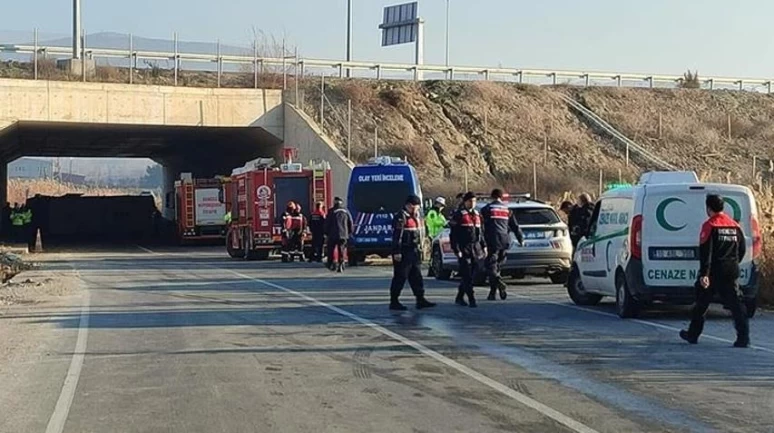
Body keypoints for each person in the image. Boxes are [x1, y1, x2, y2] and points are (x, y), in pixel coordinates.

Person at [680, 194, 750, 348]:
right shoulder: (734, 226)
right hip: (731, 270)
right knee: (736, 306)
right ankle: (743, 337)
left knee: (701, 304)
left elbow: (706, 252)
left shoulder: (710, 225)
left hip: (713, 272)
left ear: (708, 208)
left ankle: (693, 334)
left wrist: (704, 274)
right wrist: (733, 263)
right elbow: (742, 249)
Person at [389, 194, 436, 311]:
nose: (417, 208)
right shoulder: (401, 217)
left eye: (418, 206)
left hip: (415, 251)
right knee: (400, 276)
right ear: (408, 205)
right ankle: (394, 301)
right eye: (415, 206)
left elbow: (421, 233)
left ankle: (420, 299)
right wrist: (397, 252)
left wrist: (423, 247)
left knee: (416, 276)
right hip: (404, 251)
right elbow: (397, 237)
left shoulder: (417, 217)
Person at [481, 189, 524, 301]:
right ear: (501, 197)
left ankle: (498, 281)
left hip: (492, 240)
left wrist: (482, 242)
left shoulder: (487, 209)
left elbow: (482, 227)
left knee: (490, 266)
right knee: (498, 265)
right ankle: (492, 293)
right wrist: (521, 239)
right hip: (505, 240)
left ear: (491, 197)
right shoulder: (507, 210)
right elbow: (515, 226)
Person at [449, 192, 486, 308]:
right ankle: (471, 299)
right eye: (470, 201)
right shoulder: (459, 215)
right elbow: (453, 235)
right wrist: (456, 249)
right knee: (466, 274)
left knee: (475, 272)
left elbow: (481, 233)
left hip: (476, 248)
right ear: (465, 202)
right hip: (464, 247)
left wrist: (484, 246)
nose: (472, 203)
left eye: (474, 201)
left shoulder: (477, 214)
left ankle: (460, 296)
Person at [325, 197, 353, 272]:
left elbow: (327, 223)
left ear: (334, 202)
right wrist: (349, 232)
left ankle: (331, 263)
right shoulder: (346, 211)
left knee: (330, 249)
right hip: (343, 234)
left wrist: (326, 233)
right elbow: (350, 222)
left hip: (333, 234)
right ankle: (341, 263)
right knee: (341, 249)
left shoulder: (331, 211)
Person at [425, 197, 448, 277]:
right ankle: (431, 270)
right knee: (433, 254)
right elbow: (433, 222)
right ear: (437, 204)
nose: (442, 207)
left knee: (436, 254)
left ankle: (433, 269)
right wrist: (443, 223)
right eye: (441, 205)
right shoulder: (432, 212)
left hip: (439, 236)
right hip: (433, 235)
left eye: (443, 206)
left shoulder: (440, 214)